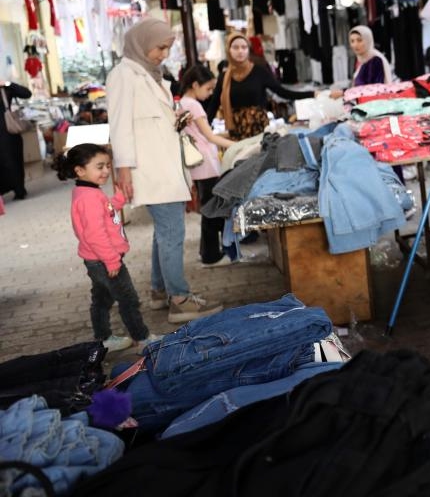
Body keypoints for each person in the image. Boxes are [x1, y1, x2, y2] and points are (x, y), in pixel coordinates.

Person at [107, 17, 223, 324]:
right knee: (172, 232)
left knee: (166, 232)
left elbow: (150, 120)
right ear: (143, 43)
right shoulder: (123, 75)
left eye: (167, 48)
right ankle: (180, 299)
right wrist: (124, 169)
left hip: (164, 164)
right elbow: (119, 126)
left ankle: (160, 292)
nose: (163, 54)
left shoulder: (151, 74)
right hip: (151, 168)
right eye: (160, 47)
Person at [57, 144, 160, 353]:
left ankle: (103, 339)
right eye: (99, 166)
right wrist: (112, 260)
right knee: (128, 299)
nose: (105, 171)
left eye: (107, 166)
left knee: (102, 299)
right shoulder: (89, 197)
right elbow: (95, 234)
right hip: (105, 260)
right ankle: (142, 338)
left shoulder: (86, 191)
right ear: (80, 170)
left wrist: (117, 202)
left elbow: (103, 213)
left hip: (96, 260)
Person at [208, 33, 318, 140]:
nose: (240, 51)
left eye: (244, 47)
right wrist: (203, 127)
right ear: (229, 50)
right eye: (235, 47)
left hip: (258, 128)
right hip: (236, 130)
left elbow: (283, 92)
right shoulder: (224, 77)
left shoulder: (259, 72)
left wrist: (312, 94)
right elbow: (214, 103)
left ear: (248, 49)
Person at [179, 64, 236, 268]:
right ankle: (211, 254)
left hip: (198, 164)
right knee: (212, 211)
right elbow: (210, 136)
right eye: (208, 88)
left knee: (208, 209)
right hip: (206, 163)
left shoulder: (181, 103)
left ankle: (207, 251)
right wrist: (238, 146)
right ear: (195, 85)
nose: (210, 93)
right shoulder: (193, 105)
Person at [0, 80, 31, 201]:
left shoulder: (4, 88)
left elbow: (26, 93)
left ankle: (19, 190)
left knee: (12, 161)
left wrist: (8, 83)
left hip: (8, 132)